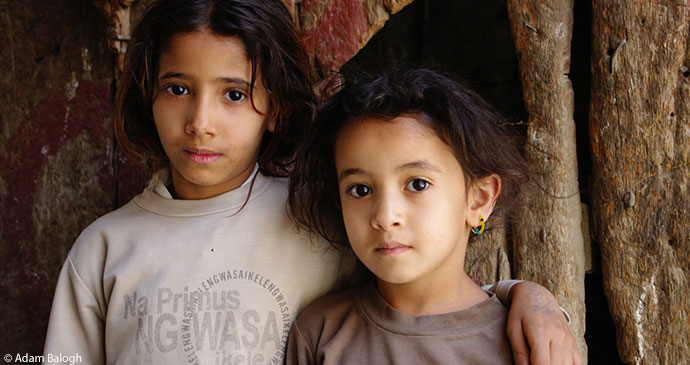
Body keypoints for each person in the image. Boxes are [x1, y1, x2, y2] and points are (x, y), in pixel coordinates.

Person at [42, 0, 576, 364]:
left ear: (274, 106)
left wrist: (530, 298)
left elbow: (426, 290)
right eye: (177, 87)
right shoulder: (104, 249)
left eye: (233, 94)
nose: (200, 120)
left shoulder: (313, 220)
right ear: (148, 95)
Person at [286, 67, 581, 364]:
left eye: (417, 184)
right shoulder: (320, 334)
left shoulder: (531, 343)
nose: (386, 217)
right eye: (360, 190)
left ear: (479, 199)